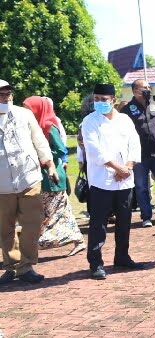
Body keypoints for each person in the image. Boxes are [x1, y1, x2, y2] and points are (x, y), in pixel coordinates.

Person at [81, 83, 144, 280]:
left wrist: (127, 167)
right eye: (96, 99)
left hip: (125, 180)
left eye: (103, 99)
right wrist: (118, 168)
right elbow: (94, 150)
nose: (99, 103)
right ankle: (96, 263)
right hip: (101, 181)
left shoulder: (125, 120)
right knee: (98, 223)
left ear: (113, 100)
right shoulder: (89, 121)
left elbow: (134, 145)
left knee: (124, 220)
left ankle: (122, 256)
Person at [0, 80, 58, 285]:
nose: (5, 98)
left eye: (8, 94)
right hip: (2, 183)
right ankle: (11, 266)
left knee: (32, 224)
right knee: (5, 228)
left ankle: (27, 266)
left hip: (28, 177)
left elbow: (39, 141)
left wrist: (50, 165)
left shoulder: (24, 115)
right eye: (1, 95)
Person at [23, 96, 86, 256]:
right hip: (40, 174)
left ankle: (41, 242)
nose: (25, 111)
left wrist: (40, 156)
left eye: (28, 108)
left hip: (52, 177)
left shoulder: (49, 126)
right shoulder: (33, 126)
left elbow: (60, 150)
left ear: (37, 109)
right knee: (61, 211)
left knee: (48, 213)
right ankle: (78, 240)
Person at [121, 79, 155, 227]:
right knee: (141, 186)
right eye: (145, 87)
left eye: (149, 87)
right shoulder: (127, 110)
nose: (148, 89)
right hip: (138, 155)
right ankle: (146, 217)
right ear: (135, 90)